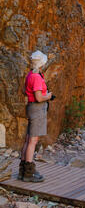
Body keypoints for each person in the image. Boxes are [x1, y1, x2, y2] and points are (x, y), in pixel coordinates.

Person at [19, 51, 53, 182]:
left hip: (31, 107)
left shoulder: (30, 75)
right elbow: (39, 98)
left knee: (28, 140)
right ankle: (29, 173)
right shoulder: (37, 77)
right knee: (33, 141)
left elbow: (25, 91)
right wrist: (48, 96)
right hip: (37, 109)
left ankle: (23, 170)